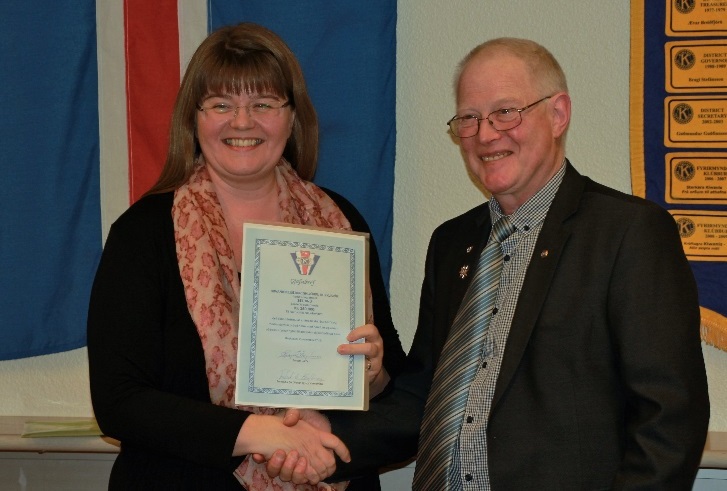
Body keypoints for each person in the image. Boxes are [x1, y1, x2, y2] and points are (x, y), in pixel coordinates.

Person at [270, 37, 711, 489]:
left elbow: (670, 420)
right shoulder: (451, 243)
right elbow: (425, 397)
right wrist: (331, 436)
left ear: (558, 114)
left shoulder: (628, 233)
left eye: (506, 112)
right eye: (469, 118)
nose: (485, 135)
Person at [87, 22, 406, 490]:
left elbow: (398, 388)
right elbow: (118, 400)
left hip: (329, 475)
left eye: (263, 104)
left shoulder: (340, 222)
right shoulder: (143, 233)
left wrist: (373, 376)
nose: (242, 122)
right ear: (194, 120)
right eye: (221, 104)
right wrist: (262, 433)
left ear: (292, 118)